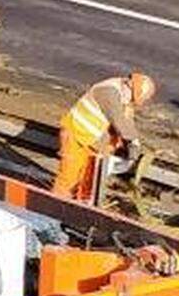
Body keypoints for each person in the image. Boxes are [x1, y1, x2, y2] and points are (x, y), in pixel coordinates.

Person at [52, 71, 156, 203]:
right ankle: (54, 206)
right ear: (129, 86)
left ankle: (81, 207)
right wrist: (131, 141)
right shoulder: (108, 92)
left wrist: (134, 143)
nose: (132, 103)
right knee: (69, 177)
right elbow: (119, 120)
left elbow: (128, 120)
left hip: (92, 141)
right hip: (76, 135)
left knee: (90, 179)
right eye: (134, 99)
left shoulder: (125, 97)